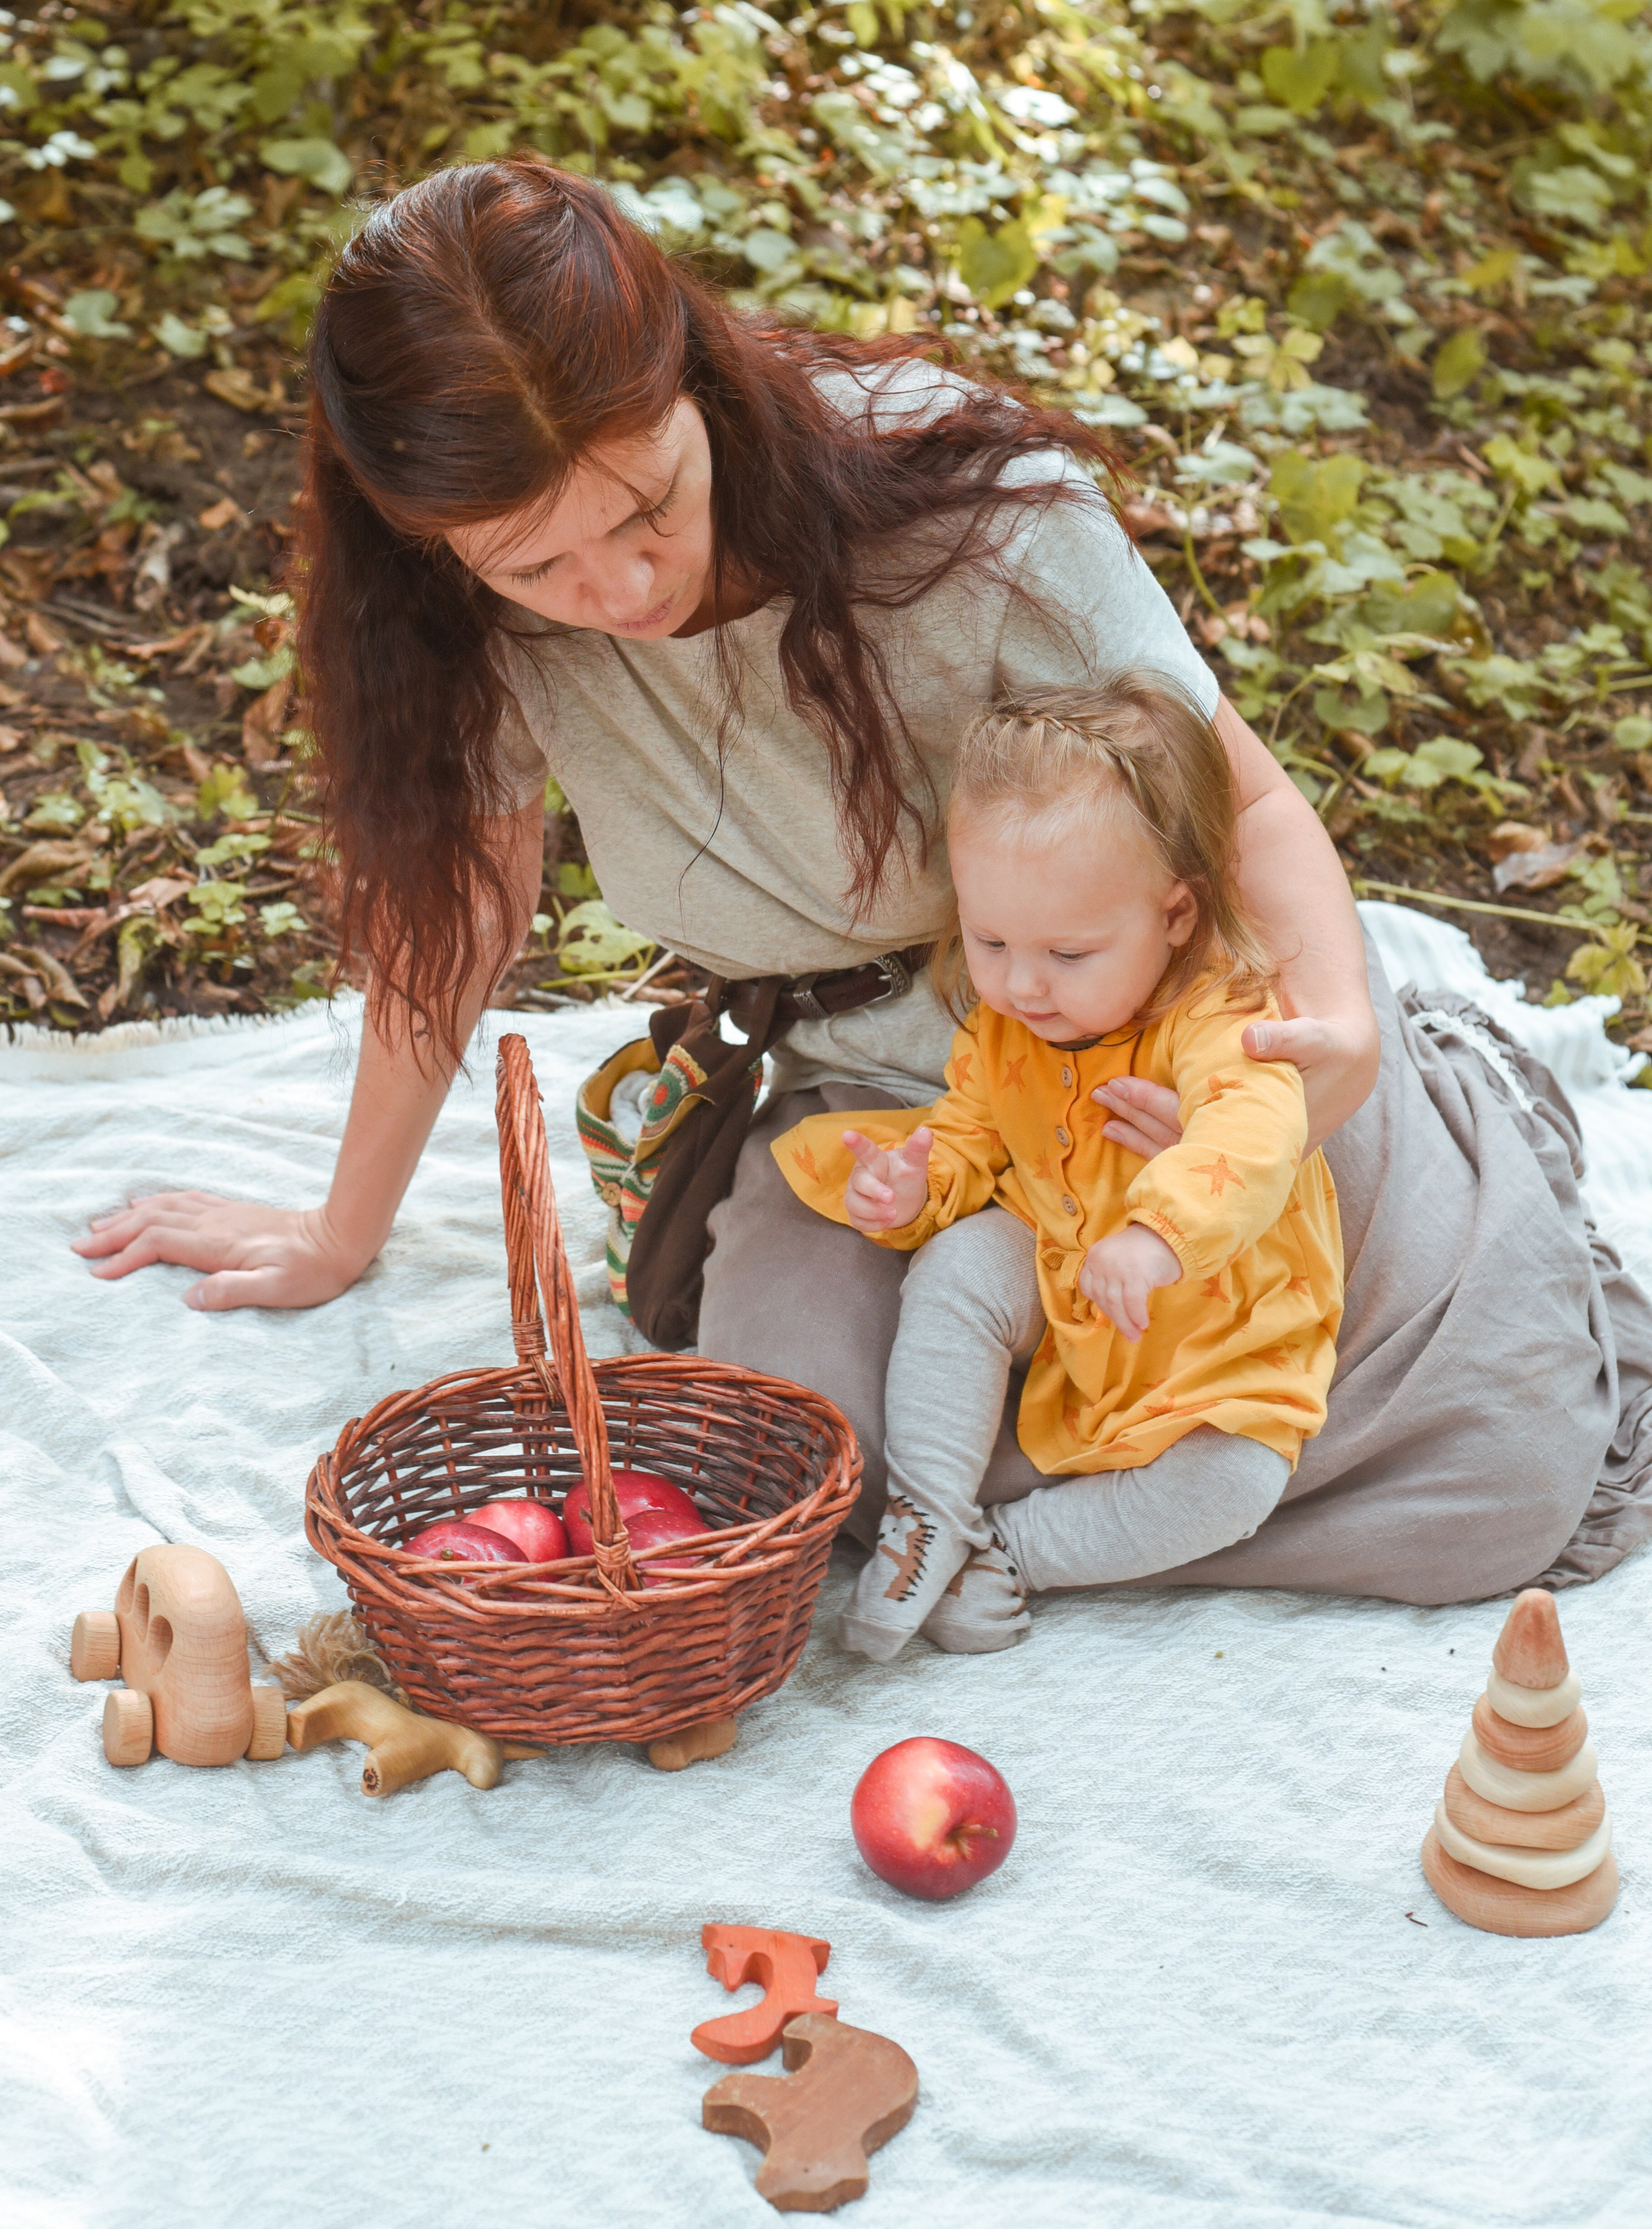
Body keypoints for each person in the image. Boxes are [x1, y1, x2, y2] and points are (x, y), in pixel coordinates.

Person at [73, 159, 1652, 1604]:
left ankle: (1424, 1131)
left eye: (646, 508)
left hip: (1145, 1048)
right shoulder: (460, 620)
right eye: (534, 565)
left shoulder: (968, 507)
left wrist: (1332, 1028)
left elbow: (1237, 799)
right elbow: (464, 919)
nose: (617, 589)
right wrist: (340, 1229)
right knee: (807, 1466)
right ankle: (1026, 1510)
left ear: (690, 378)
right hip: (887, 1092)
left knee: (1482, 1471)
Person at [772, 676, 1342, 1659]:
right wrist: (914, 1188)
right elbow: (969, 1136)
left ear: (1174, 915)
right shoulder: (1006, 1026)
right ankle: (927, 1512)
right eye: (990, 941)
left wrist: (1158, 1237)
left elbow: (1249, 1136)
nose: (1023, 984)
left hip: (1212, 1315)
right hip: (1062, 1261)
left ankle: (1009, 1552)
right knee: (958, 1264)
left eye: (1070, 954)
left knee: (1237, 1481)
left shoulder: (1220, 1014)